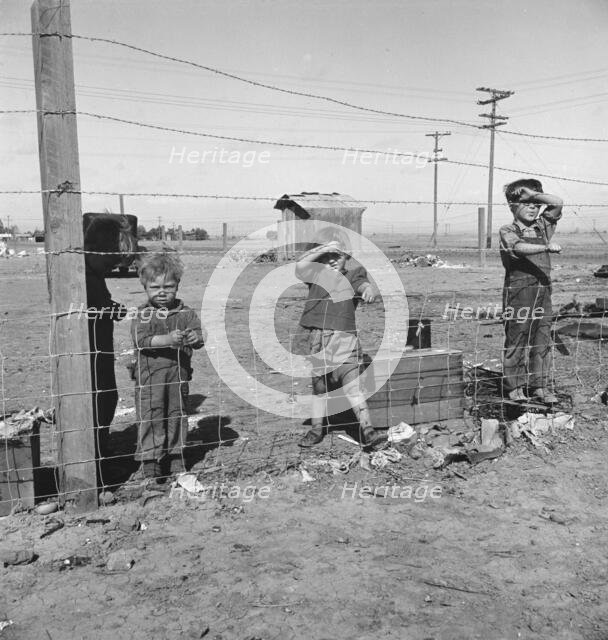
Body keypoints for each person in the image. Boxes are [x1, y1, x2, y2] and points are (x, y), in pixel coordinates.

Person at [295, 237, 383, 448]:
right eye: (327, 257)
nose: (333, 261)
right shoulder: (315, 276)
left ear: (347, 258)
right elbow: (300, 266)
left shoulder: (351, 276)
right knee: (319, 389)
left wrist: (367, 290)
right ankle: (316, 429)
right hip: (317, 340)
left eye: (338, 256)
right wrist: (326, 247)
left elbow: (363, 285)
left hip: (344, 340)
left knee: (354, 388)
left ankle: (368, 430)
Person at [131, 251, 205, 481]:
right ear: (145, 287)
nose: (162, 292)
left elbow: (200, 337)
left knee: (177, 413)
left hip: (178, 375)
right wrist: (167, 340)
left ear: (178, 285)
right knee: (151, 415)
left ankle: (176, 456)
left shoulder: (185, 312)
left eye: (169, 286)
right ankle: (150, 461)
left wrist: (195, 338)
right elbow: (141, 340)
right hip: (150, 378)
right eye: (155, 287)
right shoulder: (144, 314)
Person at [499, 178, 563, 403]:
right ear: (511, 205)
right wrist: (545, 247)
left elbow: (556, 203)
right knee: (517, 339)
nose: (533, 207)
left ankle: (540, 386)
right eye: (525, 203)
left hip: (543, 292)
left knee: (542, 339)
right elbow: (517, 247)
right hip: (519, 293)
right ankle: (514, 387)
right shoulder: (509, 229)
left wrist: (531, 194)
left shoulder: (542, 227)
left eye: (536, 202)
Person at [84, 215, 137, 458]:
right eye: (111, 262)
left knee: (106, 397)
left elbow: (99, 305)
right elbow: (92, 307)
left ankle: (99, 446)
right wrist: (112, 309)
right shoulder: (83, 278)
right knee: (101, 399)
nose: (112, 268)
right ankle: (95, 450)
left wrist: (110, 307)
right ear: (96, 250)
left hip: (101, 350)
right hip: (91, 352)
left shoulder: (93, 275)